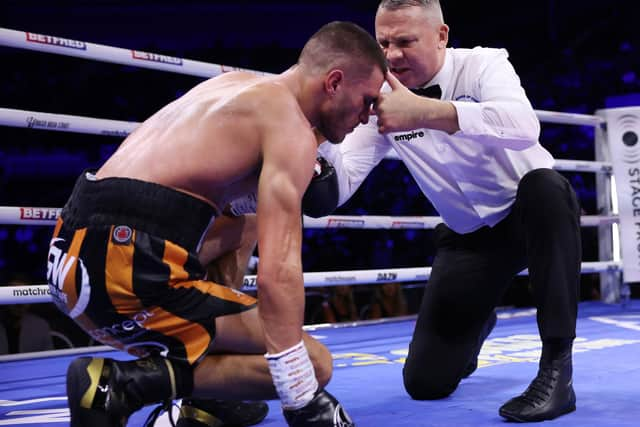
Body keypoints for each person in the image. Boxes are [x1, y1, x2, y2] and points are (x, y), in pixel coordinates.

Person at [46, 21, 386, 427]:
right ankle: (123, 384)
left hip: (70, 257)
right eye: (366, 100)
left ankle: (207, 400)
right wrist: (300, 392)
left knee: (246, 218)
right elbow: (278, 272)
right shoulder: (290, 128)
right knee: (314, 363)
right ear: (334, 82)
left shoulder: (236, 87)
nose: (367, 117)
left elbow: (231, 225)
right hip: (125, 265)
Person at [319, 0, 581, 422]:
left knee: (547, 188)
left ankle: (557, 372)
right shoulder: (381, 97)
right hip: (468, 241)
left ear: (441, 36)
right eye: (383, 42)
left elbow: (523, 125)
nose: (391, 55)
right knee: (425, 384)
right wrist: (321, 138)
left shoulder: (482, 64)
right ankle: (479, 320)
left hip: (531, 216)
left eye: (405, 41)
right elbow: (342, 180)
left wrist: (427, 111)